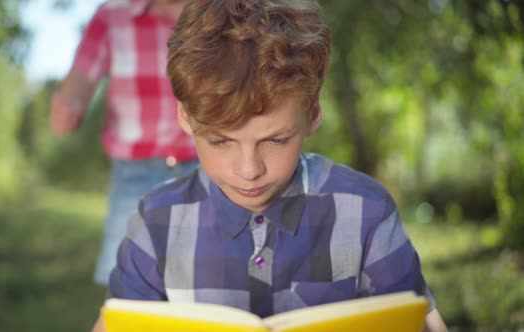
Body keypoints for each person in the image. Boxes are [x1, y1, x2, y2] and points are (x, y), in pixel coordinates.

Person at [92, 0, 448, 330]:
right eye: (220, 141)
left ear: (312, 115)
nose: (249, 170)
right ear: (186, 118)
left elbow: (421, 321)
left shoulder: (367, 212)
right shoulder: (156, 222)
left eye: (276, 140)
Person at [50, 0, 198, 286]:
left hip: (208, 168)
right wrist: (70, 102)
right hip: (135, 175)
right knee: (126, 286)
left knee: (206, 279)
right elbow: (82, 72)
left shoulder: (221, 11)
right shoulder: (112, 15)